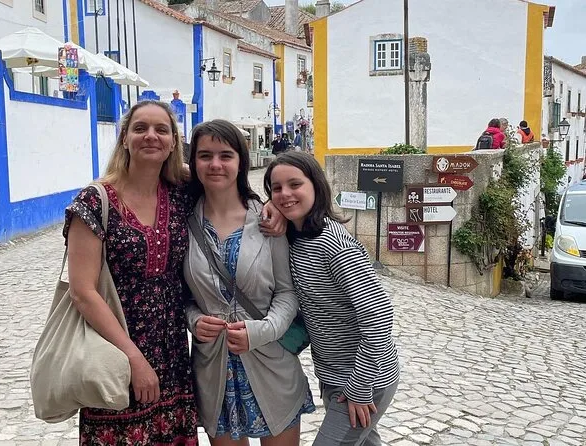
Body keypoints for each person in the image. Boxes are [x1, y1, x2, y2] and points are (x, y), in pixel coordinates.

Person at [63, 101, 284, 444]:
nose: (151, 136)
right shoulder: (95, 201)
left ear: (172, 143)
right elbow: (82, 292)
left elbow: (221, 178)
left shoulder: (178, 193)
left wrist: (270, 205)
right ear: (124, 138)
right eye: (140, 128)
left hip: (174, 356)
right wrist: (133, 359)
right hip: (116, 350)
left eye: (161, 130)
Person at [184, 120, 315, 446]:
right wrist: (194, 320)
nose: (215, 164)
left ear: (241, 161)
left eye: (225, 155)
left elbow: (287, 291)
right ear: (193, 162)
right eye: (205, 155)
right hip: (214, 370)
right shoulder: (183, 221)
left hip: (269, 361)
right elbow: (181, 295)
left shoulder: (268, 220)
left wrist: (264, 330)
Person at [264, 152, 400, 446]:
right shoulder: (293, 236)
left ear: (316, 186)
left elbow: (379, 315)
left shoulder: (334, 245)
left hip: (364, 380)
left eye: (295, 185)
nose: (285, 194)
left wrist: (360, 387)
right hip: (332, 375)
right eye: (276, 188)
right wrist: (270, 206)